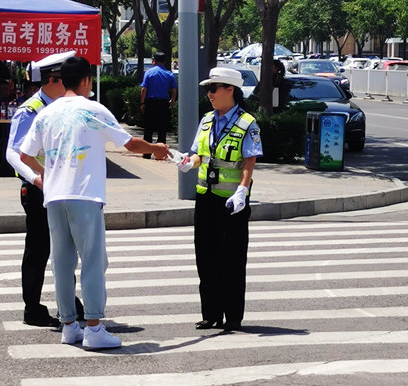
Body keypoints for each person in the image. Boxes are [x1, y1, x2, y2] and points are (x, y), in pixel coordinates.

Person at [19, 56, 169, 349]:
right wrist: (156, 148)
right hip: (85, 195)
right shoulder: (93, 109)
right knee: (92, 262)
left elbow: (25, 156)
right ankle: (94, 328)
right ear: (87, 80)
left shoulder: (47, 114)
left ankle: (68, 326)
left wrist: (47, 174)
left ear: (62, 80)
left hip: (54, 196)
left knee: (61, 262)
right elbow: (128, 144)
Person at [177, 67, 263, 332]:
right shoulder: (206, 120)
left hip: (232, 203)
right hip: (206, 199)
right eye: (208, 90)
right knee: (206, 257)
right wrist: (187, 162)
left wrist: (242, 191)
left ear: (230, 90)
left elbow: (250, 161)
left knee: (233, 260)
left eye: (214, 89)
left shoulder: (247, 122)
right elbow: (199, 154)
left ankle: (233, 316)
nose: (210, 94)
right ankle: (211, 313)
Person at [5, 51, 82, 327]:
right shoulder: (31, 110)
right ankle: (33, 308)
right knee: (38, 248)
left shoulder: (68, 106)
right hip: (38, 189)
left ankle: (69, 304)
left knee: (66, 247)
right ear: (52, 80)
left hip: (63, 187)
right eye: (65, 80)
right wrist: (36, 178)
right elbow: (13, 153)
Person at [140, 51, 177, 159]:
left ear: (154, 61)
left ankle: (146, 153)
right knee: (162, 129)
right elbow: (174, 89)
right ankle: (160, 154)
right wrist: (172, 100)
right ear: (164, 62)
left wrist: (142, 103)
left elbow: (144, 89)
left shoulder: (149, 73)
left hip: (151, 103)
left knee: (148, 129)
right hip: (163, 103)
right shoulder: (169, 74)